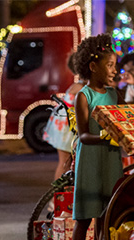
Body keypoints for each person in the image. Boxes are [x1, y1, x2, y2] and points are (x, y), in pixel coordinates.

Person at [65, 33, 124, 240]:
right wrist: (105, 137)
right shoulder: (84, 96)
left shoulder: (114, 95)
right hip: (90, 159)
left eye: (114, 65)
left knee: (105, 214)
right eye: (109, 65)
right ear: (92, 67)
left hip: (111, 159)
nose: (114, 70)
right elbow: (83, 135)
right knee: (83, 217)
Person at [43, 52, 85, 180]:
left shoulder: (79, 85)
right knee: (64, 162)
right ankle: (57, 196)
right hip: (66, 128)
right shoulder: (80, 87)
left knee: (66, 162)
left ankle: (59, 195)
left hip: (63, 126)